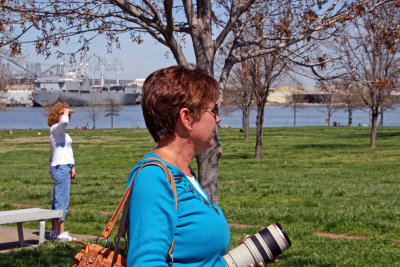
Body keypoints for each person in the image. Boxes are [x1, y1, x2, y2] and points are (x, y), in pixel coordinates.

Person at [126, 65, 231, 266]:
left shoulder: (184, 173)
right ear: (187, 118)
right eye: (213, 110)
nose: (217, 119)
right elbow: (146, 262)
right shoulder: (154, 178)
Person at [47, 102, 76, 241]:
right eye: (64, 113)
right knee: (62, 200)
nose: (67, 116)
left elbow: (66, 150)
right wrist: (65, 111)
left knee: (57, 199)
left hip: (65, 166)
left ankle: (54, 231)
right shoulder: (55, 128)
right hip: (60, 167)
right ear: (57, 115)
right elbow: (64, 121)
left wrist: (73, 166)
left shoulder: (61, 132)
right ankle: (60, 233)